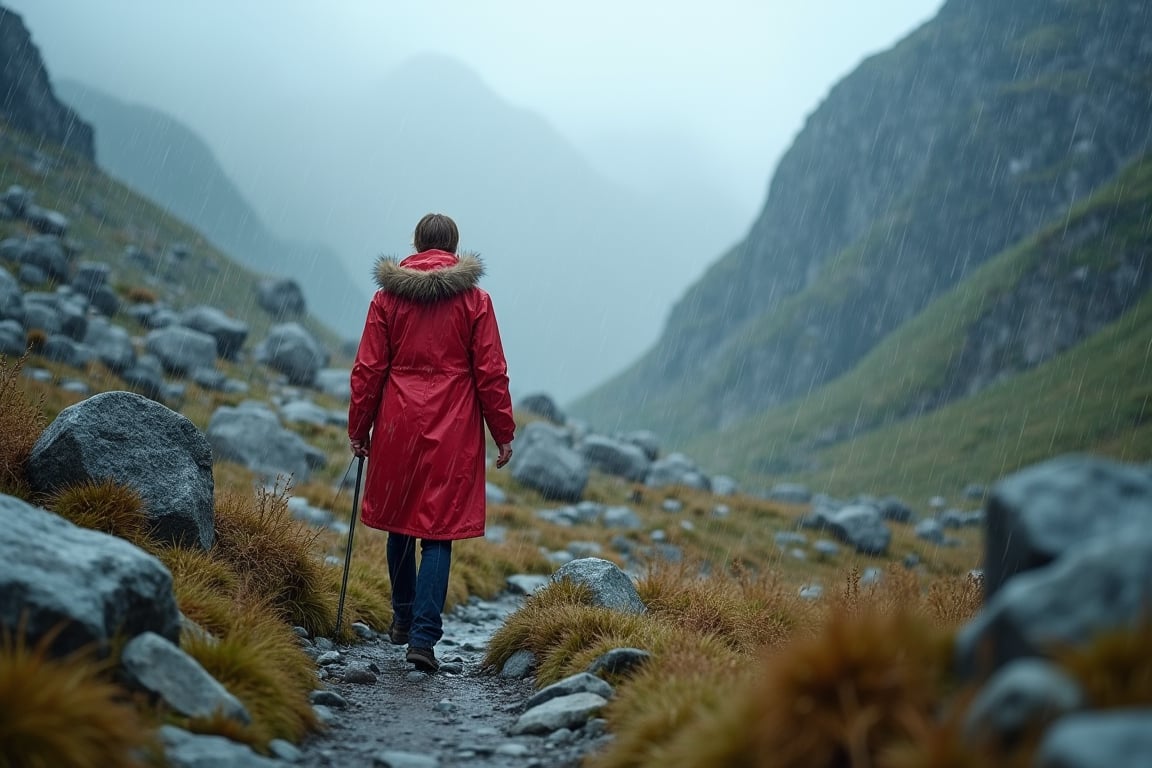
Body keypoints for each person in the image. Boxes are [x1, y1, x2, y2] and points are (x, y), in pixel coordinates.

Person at [348, 213, 515, 673]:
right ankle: (422, 638)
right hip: (454, 425)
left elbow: (368, 369)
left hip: (398, 421)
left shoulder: (387, 299)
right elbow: (491, 372)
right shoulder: (475, 300)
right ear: (454, 248)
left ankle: (403, 619)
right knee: (437, 532)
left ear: (417, 245)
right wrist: (503, 432)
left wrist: (359, 427)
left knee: (400, 519)